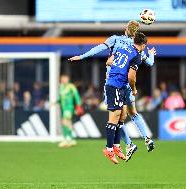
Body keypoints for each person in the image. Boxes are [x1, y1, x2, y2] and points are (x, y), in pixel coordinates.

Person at [68, 20, 156, 159]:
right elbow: (150, 63)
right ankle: (146, 138)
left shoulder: (116, 40)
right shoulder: (136, 48)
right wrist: (151, 53)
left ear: (125, 28)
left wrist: (82, 56)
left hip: (114, 81)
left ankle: (124, 144)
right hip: (127, 84)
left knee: (116, 116)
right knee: (130, 114)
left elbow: (100, 49)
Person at [101, 32, 147, 164]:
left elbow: (109, 61)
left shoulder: (122, 48)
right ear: (143, 45)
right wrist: (133, 89)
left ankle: (116, 146)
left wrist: (118, 67)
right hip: (115, 85)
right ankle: (109, 149)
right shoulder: (137, 56)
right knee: (114, 117)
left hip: (116, 85)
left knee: (121, 116)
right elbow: (131, 77)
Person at [58, 74, 82, 148]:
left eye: (65, 78)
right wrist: (55, 102)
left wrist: (78, 105)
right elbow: (60, 98)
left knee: (65, 121)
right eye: (63, 79)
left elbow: (76, 95)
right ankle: (71, 139)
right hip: (63, 108)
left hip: (69, 107)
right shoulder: (61, 87)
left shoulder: (71, 86)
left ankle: (66, 139)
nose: (64, 80)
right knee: (67, 122)